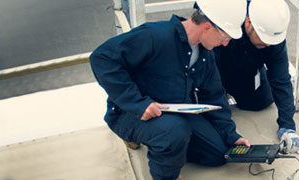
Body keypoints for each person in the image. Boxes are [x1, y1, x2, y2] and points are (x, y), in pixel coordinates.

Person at [89, 0, 249, 179]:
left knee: (219, 153)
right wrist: (137, 104)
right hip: (130, 114)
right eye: (225, 37)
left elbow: (214, 96)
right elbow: (102, 58)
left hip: (175, 112)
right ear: (207, 27)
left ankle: (166, 146)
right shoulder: (155, 36)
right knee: (173, 132)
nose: (225, 44)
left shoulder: (205, 54)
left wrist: (230, 135)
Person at [214, 0, 299, 154]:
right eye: (264, 39)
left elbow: (281, 80)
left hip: (249, 69)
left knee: (261, 102)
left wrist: (288, 127)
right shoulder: (228, 19)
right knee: (215, 115)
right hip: (217, 68)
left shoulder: (272, 33)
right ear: (249, 22)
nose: (269, 44)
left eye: (272, 41)